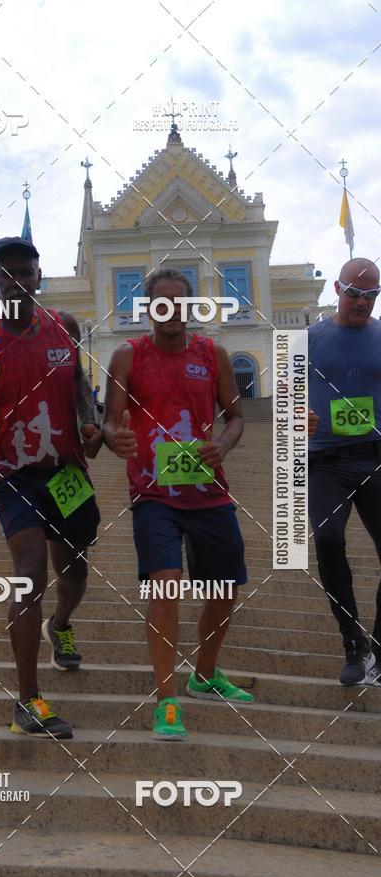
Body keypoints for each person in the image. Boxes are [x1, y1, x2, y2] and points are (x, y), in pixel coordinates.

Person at [0, 237, 102, 739]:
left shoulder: (66, 327)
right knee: (29, 574)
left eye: (26, 271)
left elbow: (80, 385)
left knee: (75, 571)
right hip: (12, 474)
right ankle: (28, 700)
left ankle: (61, 622)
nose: (17, 280)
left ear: (39, 276)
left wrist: (90, 421)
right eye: (6, 272)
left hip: (67, 472)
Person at [102, 267, 253, 741]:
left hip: (208, 490)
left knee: (224, 589)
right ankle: (167, 699)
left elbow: (236, 417)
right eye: (159, 302)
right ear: (147, 308)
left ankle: (204, 674)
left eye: (179, 302)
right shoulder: (127, 356)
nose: (169, 310)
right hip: (153, 492)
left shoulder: (213, 354)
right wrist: (116, 438)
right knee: (165, 586)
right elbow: (109, 421)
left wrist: (223, 446)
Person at [308, 257, 381, 687]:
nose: (362, 302)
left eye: (371, 295)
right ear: (337, 289)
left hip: (374, 456)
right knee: (329, 539)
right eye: (354, 293)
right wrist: (298, 416)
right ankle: (352, 640)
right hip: (326, 462)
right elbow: (285, 396)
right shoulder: (312, 337)